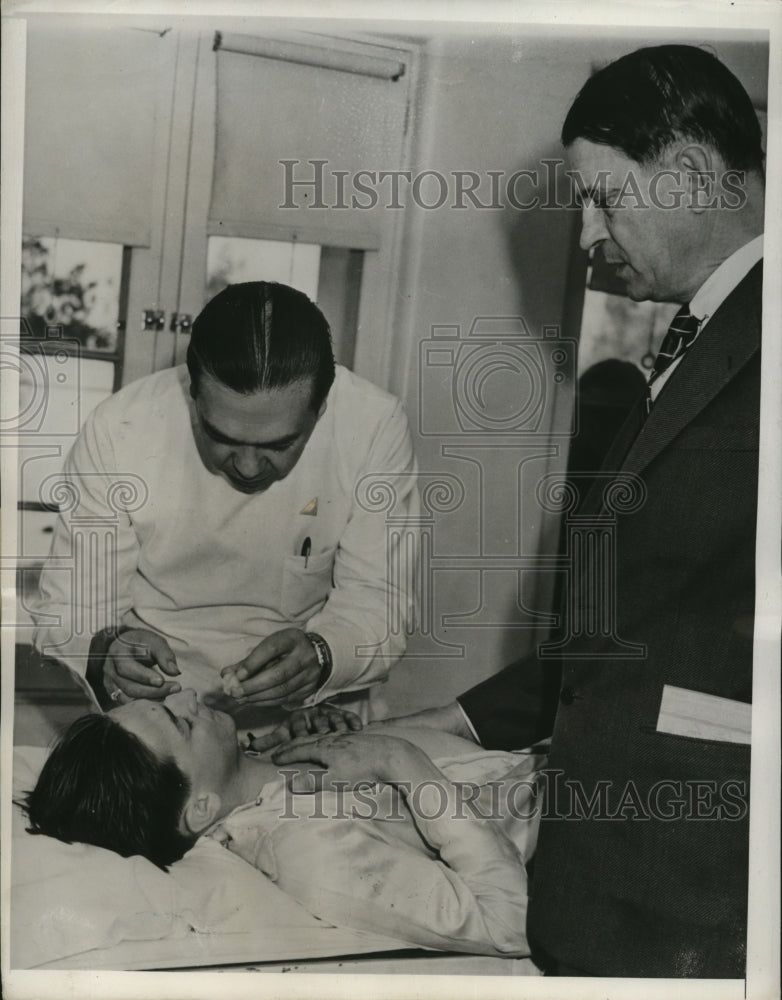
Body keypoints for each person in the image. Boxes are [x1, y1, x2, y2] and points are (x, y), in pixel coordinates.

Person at [326, 44, 762, 978]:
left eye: (605, 197)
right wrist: (437, 723)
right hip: (616, 875)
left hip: (709, 870)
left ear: (688, 177)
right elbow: (633, 628)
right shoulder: (700, 340)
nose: (589, 234)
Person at [31, 281, 418, 741]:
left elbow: (380, 603)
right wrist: (106, 650)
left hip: (312, 716)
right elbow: (71, 608)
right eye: (223, 437)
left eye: (279, 444)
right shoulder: (120, 429)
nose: (249, 467)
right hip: (159, 725)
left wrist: (323, 654)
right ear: (192, 395)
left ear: (322, 408)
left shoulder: (373, 425)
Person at [23, 690, 544, 958]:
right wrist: (397, 758)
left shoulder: (272, 769)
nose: (186, 697)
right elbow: (510, 925)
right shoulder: (304, 851)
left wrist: (368, 738)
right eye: (178, 720)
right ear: (200, 809)